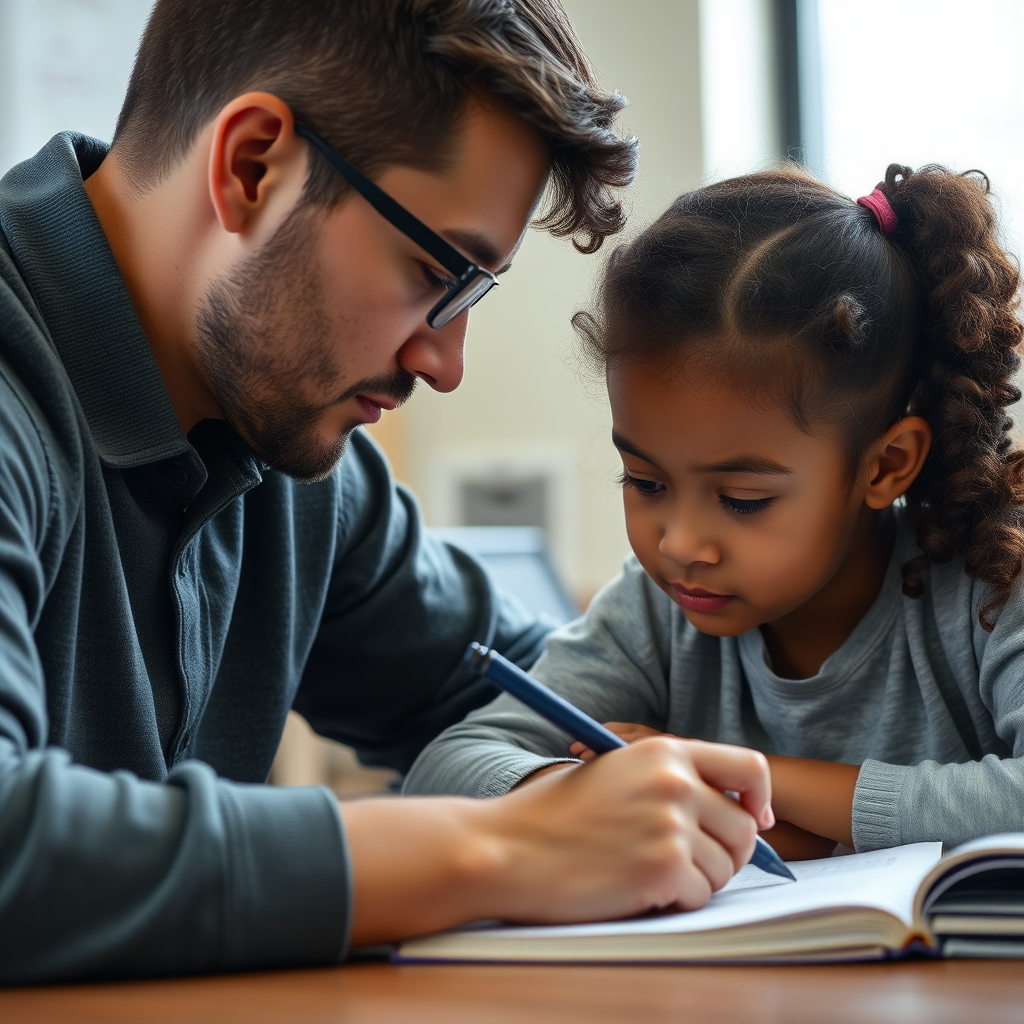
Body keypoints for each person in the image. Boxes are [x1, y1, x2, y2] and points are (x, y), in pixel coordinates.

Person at [0, 0, 775, 984]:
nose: (443, 363)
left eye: (470, 295)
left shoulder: (288, 456)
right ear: (253, 167)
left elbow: (523, 693)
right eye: (433, 272)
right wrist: (510, 850)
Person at [406, 162, 1024, 862]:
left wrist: (750, 781)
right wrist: (575, 792)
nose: (681, 543)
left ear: (885, 466)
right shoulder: (654, 614)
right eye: (644, 481)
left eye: (742, 500)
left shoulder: (994, 580)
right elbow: (450, 766)